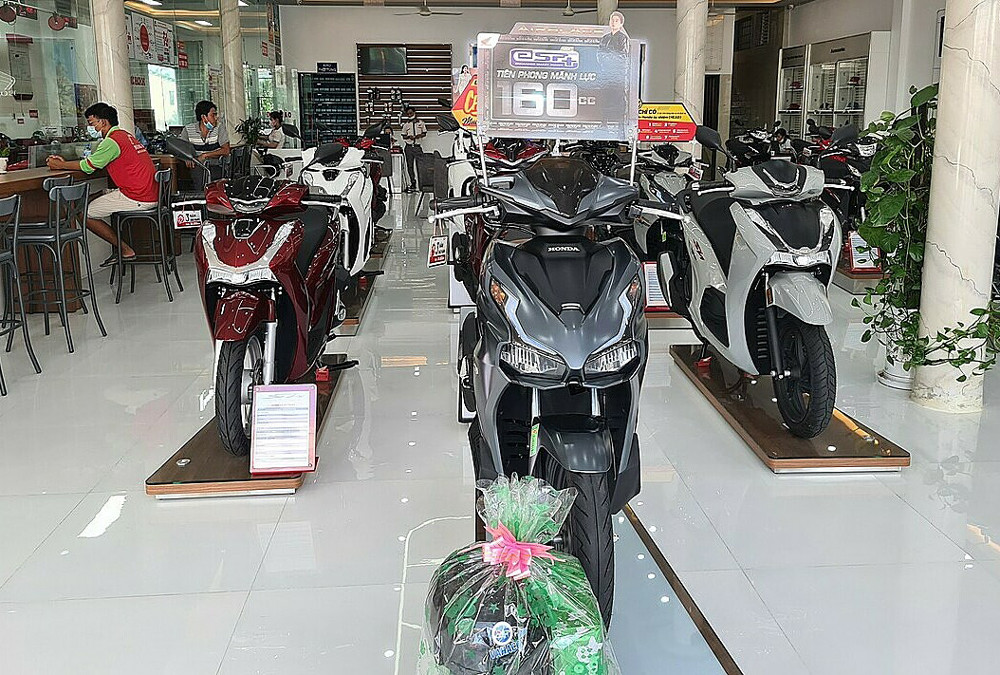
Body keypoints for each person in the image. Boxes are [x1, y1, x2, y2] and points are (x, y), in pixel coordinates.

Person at [45, 102, 157, 265]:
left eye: (92, 123)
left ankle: (125, 250)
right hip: (148, 192)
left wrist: (59, 165)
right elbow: (96, 161)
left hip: (137, 196)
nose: (91, 128)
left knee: (83, 213)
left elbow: (88, 166)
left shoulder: (111, 141)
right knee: (96, 195)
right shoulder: (125, 136)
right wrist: (65, 164)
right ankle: (122, 248)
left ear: (103, 122)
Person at [181, 100, 230, 190]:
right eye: (213, 115)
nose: (216, 118)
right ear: (204, 117)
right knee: (197, 176)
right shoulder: (188, 130)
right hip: (197, 166)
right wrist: (186, 158)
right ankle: (200, 195)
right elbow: (181, 148)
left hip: (216, 165)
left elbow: (226, 150)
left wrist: (205, 155)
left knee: (212, 177)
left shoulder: (219, 128)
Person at [400, 106, 426, 192]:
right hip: (409, 147)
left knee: (420, 166)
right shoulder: (406, 124)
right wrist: (409, 137)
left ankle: (422, 184)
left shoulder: (421, 123)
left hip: (417, 147)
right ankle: (413, 183)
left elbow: (424, 133)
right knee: (410, 166)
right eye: (408, 114)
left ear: (414, 113)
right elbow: (403, 135)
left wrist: (418, 136)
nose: (409, 115)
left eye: (411, 113)